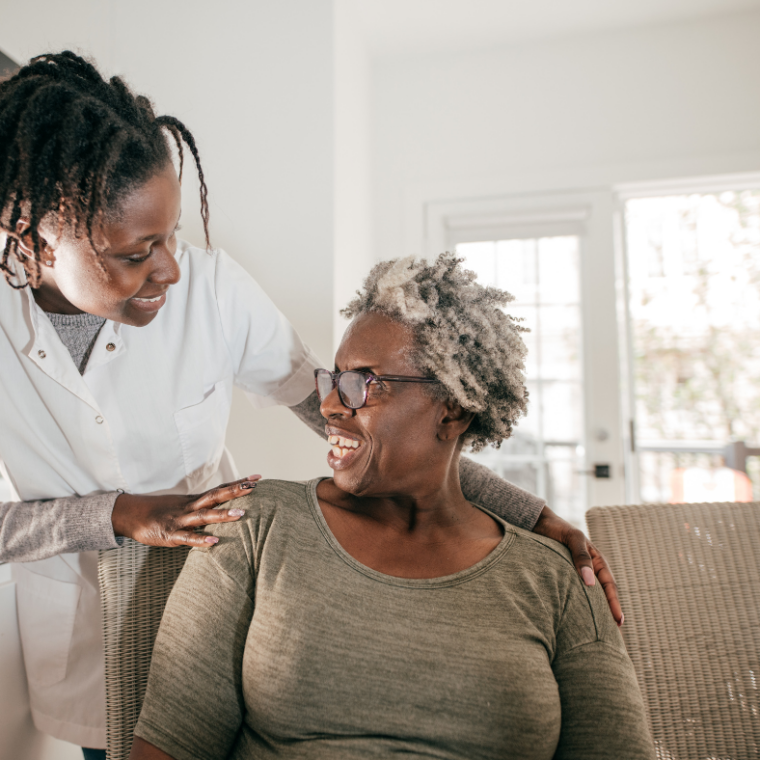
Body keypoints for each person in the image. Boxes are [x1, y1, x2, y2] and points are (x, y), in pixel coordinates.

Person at [0, 53, 620, 759]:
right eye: (138, 252)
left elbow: (359, 420)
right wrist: (114, 514)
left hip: (218, 612)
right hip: (81, 630)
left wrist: (531, 515)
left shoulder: (212, 293)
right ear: (37, 240)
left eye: (172, 236)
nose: (170, 268)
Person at [130, 253, 654, 760]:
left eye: (362, 384)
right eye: (332, 379)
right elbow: (169, 746)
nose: (328, 406)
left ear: (452, 410)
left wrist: (536, 518)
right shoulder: (253, 525)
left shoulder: (557, 578)